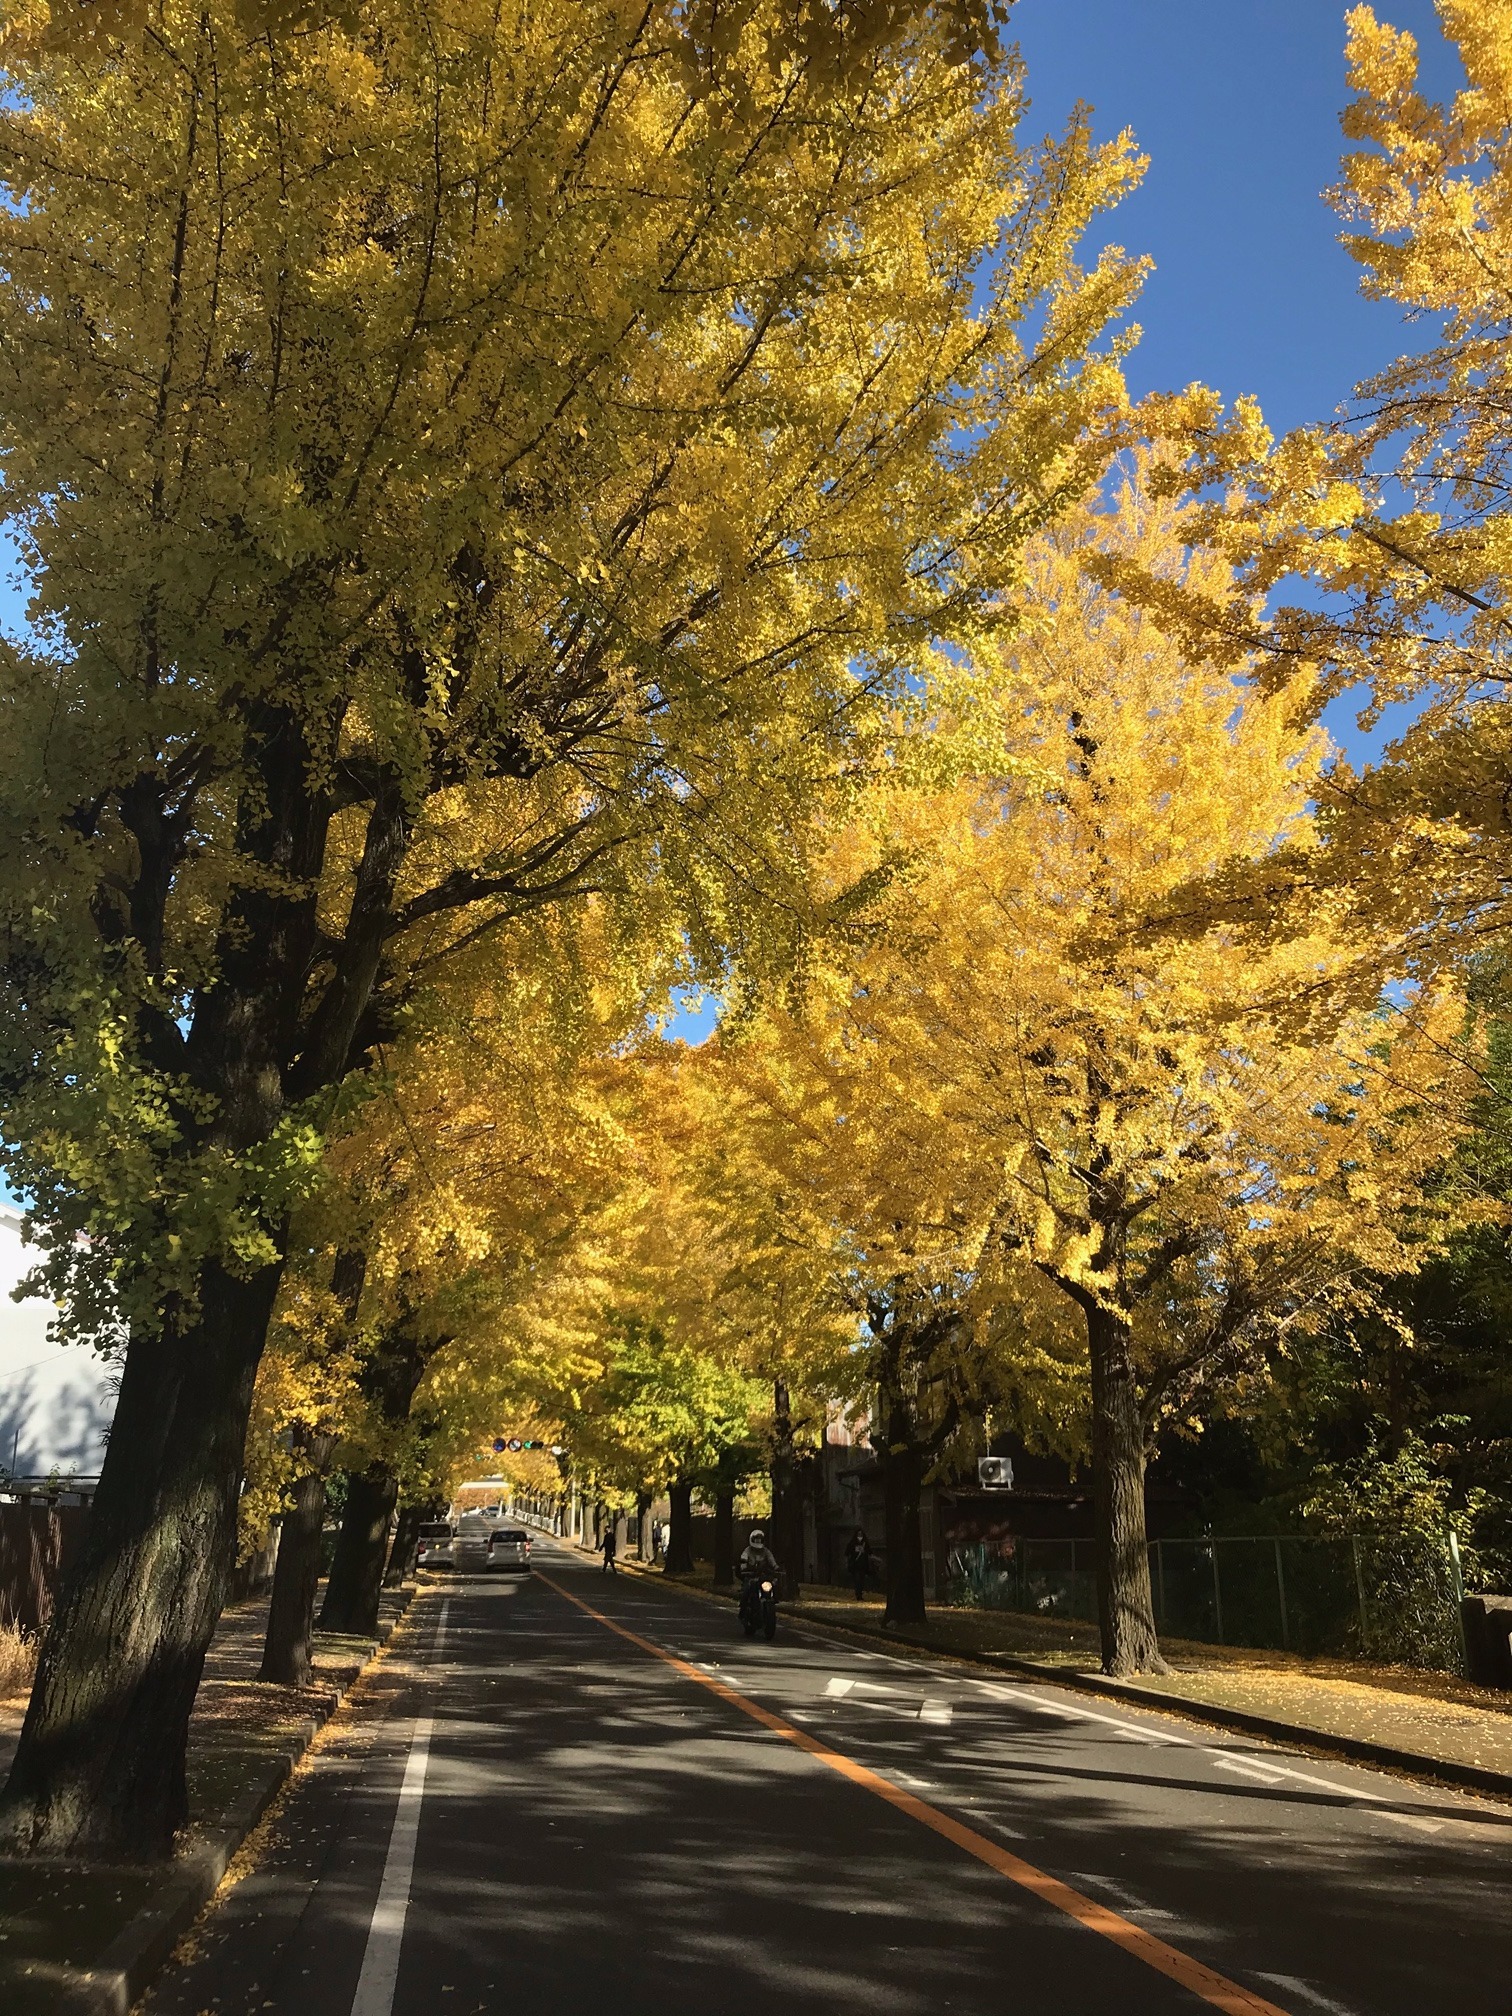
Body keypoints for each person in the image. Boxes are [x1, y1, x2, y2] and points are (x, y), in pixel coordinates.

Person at [844, 1526, 873, 1601]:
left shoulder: (865, 1544)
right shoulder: (852, 1543)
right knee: (857, 1580)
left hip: (863, 1565)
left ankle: (860, 1594)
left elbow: (870, 1553)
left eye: (861, 1535)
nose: (860, 1537)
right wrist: (847, 1563)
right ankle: (858, 1595)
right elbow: (847, 1553)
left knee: (862, 1581)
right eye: (858, 1535)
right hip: (855, 1565)